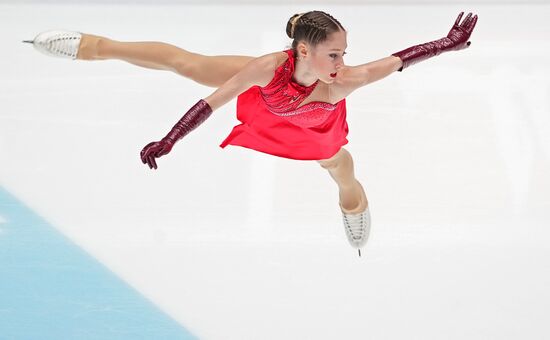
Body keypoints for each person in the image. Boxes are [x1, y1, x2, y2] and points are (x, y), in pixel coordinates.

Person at [24, 10, 478, 257]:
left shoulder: (347, 80)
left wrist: (445, 43)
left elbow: (398, 60)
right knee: (187, 62)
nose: (342, 63)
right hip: (266, 104)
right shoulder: (267, 68)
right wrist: (170, 138)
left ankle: (356, 210)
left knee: (342, 172)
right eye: (333, 54)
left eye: (344, 54)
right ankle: (89, 46)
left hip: (317, 132)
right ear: (302, 50)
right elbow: (212, 102)